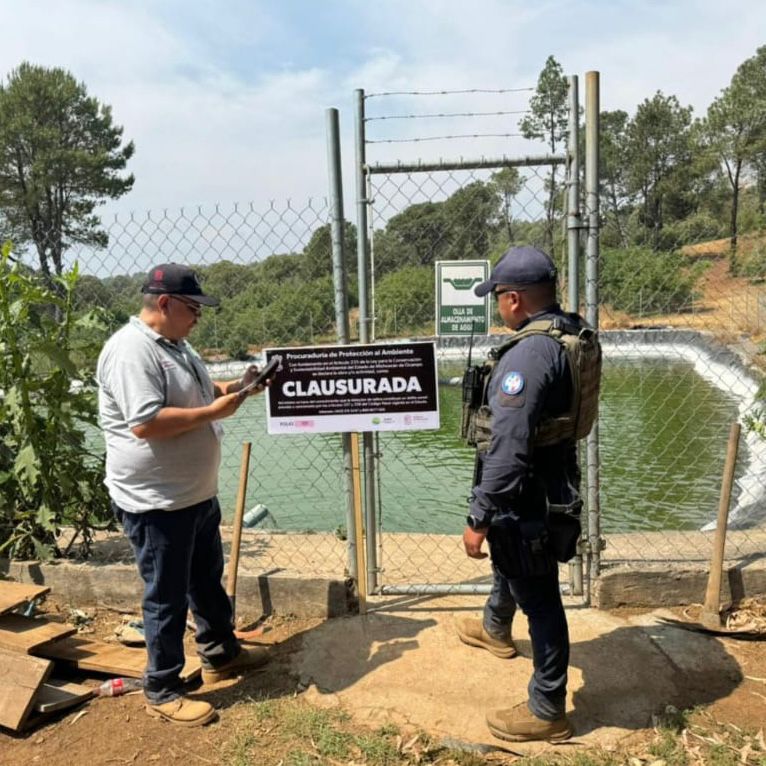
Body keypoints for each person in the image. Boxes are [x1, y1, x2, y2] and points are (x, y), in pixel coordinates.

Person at [97, 262, 269, 727]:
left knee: (206, 581)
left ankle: (220, 654)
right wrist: (216, 410)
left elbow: (200, 390)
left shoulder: (175, 345)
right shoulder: (132, 351)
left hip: (192, 495)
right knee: (166, 596)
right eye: (193, 308)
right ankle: (163, 687)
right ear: (166, 304)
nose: (198, 317)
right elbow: (146, 422)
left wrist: (239, 389)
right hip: (155, 502)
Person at [456, 245, 601, 742]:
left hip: (527, 494)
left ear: (514, 299)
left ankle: (547, 709)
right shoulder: (565, 331)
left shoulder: (529, 355)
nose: (496, 304)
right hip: (551, 480)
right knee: (514, 566)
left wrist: (478, 517)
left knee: (540, 599)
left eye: (497, 296)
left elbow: (508, 446)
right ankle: (496, 628)